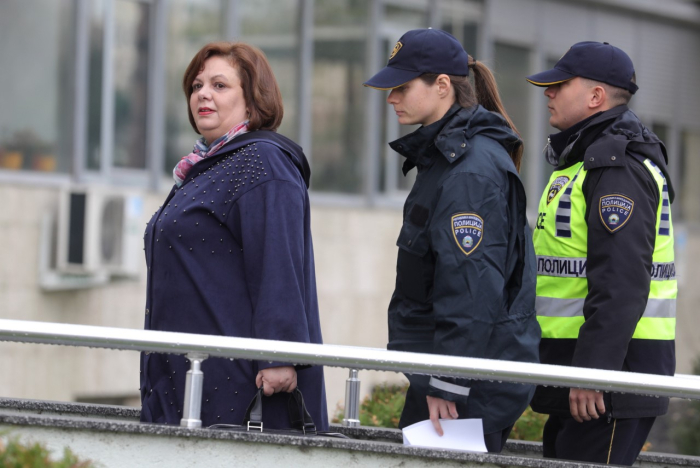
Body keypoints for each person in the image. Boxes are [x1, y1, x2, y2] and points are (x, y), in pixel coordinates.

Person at [364, 28, 540, 453]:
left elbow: (471, 284)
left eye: (402, 87)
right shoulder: (448, 157)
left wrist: (449, 382)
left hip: (466, 387)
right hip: (456, 374)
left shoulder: (469, 170)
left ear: (442, 85)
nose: (391, 98)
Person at [140, 42, 328, 431]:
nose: (202, 94)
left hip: (238, 387)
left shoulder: (263, 161)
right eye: (196, 86)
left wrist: (278, 355)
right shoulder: (202, 168)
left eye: (219, 85)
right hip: (183, 377)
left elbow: (278, 264)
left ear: (252, 100)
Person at [526, 41, 676, 465]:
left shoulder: (616, 167)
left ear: (596, 96)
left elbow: (621, 281)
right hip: (583, 376)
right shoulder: (584, 161)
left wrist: (594, 371)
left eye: (560, 85)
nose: (548, 92)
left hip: (607, 383)